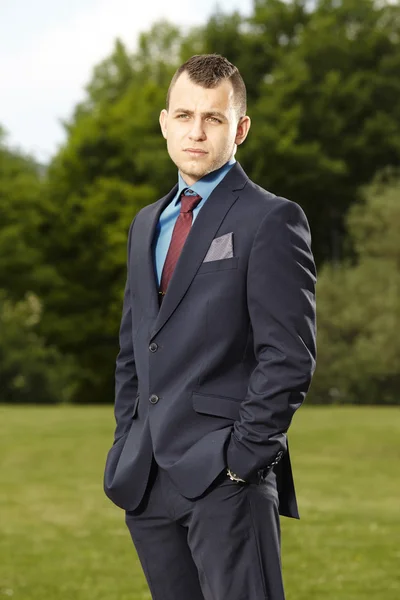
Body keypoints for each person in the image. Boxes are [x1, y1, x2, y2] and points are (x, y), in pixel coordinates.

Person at [103, 53, 317, 600]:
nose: (196, 132)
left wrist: (243, 460)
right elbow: (134, 347)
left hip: (226, 481)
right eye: (184, 115)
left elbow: (288, 356)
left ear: (240, 128)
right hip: (147, 482)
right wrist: (126, 441)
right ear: (164, 122)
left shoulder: (271, 219)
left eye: (214, 119)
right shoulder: (146, 223)